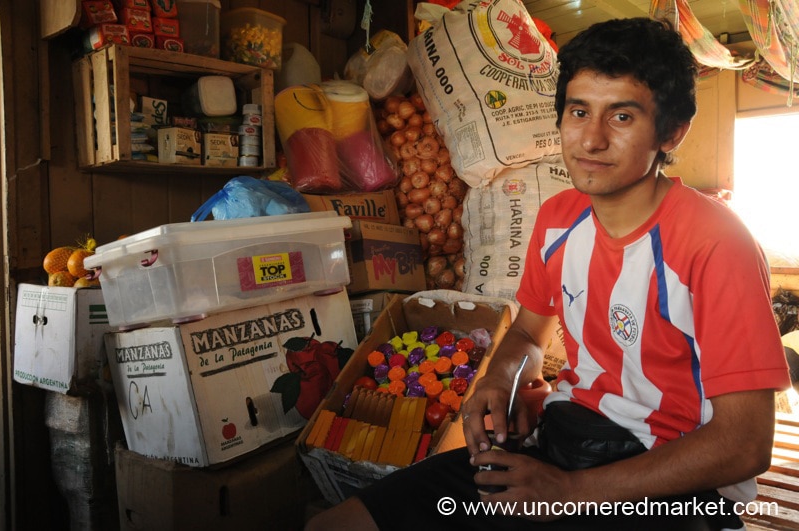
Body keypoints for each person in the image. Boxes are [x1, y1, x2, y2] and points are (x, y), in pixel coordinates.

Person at [306, 17, 790, 530]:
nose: (592, 139)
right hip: (567, 441)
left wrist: (569, 492)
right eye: (579, 111)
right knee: (338, 525)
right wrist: (500, 379)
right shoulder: (559, 217)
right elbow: (526, 335)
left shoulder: (717, 242)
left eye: (622, 117)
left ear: (672, 131)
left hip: (678, 484)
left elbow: (745, 445)